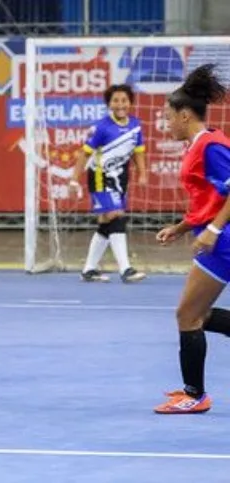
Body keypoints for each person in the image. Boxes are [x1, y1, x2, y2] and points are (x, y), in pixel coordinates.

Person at [154, 64, 230, 414]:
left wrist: (213, 230)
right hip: (216, 238)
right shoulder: (199, 145)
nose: (166, 123)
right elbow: (209, 201)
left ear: (185, 115)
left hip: (224, 241)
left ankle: (194, 396)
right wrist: (181, 228)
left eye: (168, 117)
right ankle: (194, 393)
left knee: (188, 314)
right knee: (193, 314)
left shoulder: (211, 146)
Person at [70, 84, 148, 283]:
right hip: (100, 176)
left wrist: (142, 173)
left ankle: (89, 269)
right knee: (116, 216)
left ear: (130, 103)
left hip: (120, 178)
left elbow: (138, 152)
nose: (120, 104)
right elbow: (84, 154)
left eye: (124, 100)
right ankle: (126, 269)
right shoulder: (101, 127)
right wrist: (73, 179)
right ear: (109, 104)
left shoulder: (136, 126)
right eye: (116, 100)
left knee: (106, 222)